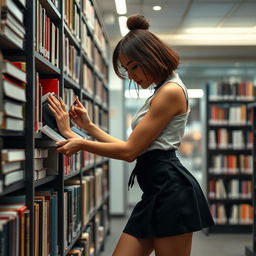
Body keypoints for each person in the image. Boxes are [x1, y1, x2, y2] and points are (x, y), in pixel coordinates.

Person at [48, 14, 214, 256]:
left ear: (151, 57)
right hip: (156, 191)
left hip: (171, 192)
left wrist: (81, 143)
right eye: (127, 69)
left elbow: (129, 153)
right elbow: (132, 146)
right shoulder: (161, 90)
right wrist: (89, 127)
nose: (132, 75)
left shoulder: (170, 92)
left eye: (134, 66)